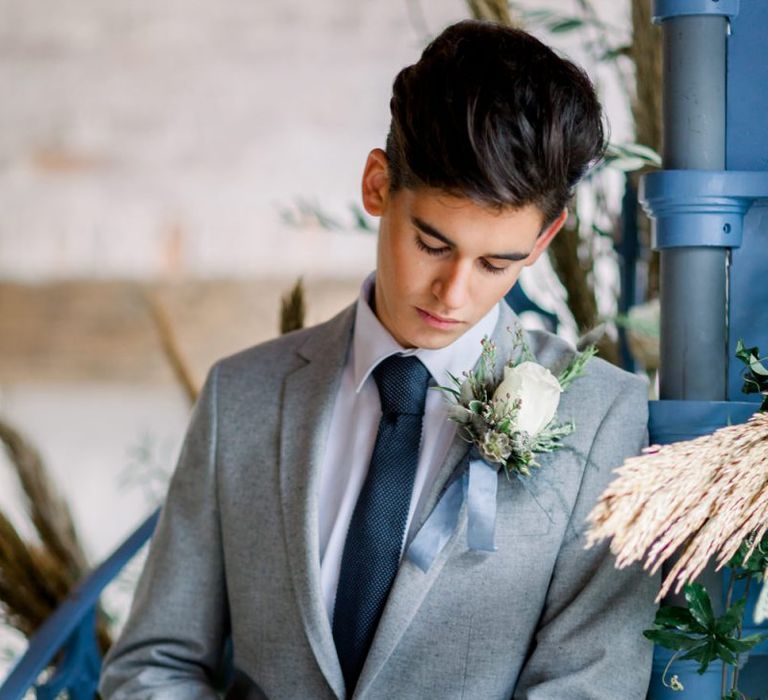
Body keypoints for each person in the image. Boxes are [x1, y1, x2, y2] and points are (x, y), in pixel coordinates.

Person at [100, 19, 657, 700]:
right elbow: (152, 665)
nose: (454, 293)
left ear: (544, 240)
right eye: (432, 244)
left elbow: (589, 688)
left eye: (495, 262)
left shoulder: (603, 417)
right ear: (376, 184)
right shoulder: (239, 396)